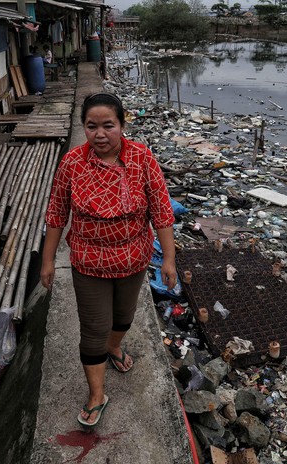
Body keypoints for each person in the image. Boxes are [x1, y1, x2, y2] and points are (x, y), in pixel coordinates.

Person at [40, 92, 177, 428]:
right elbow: (57, 214)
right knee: (93, 328)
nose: (99, 134)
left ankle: (115, 348)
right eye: (91, 126)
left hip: (134, 259)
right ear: (83, 128)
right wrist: (47, 261)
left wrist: (169, 260)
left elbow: (161, 212)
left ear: (121, 125)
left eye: (107, 126)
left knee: (124, 316)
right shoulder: (72, 163)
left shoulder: (143, 159)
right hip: (89, 262)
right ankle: (97, 394)